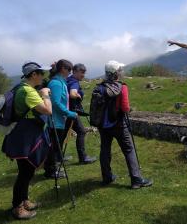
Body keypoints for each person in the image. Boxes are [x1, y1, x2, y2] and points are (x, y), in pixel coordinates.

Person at [1, 62, 52, 219]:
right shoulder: (28, 91)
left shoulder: (20, 87)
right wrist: (45, 94)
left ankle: (24, 201)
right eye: (41, 73)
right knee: (25, 172)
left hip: (21, 135)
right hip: (24, 137)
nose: (43, 76)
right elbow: (47, 110)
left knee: (27, 171)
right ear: (34, 75)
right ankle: (17, 208)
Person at [98, 60, 153, 189]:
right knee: (129, 150)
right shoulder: (122, 87)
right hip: (118, 124)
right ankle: (136, 180)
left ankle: (107, 177)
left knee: (105, 150)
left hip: (103, 125)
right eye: (120, 70)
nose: (122, 72)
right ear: (116, 73)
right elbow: (125, 108)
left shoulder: (100, 87)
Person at [44, 59, 78, 178]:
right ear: (62, 69)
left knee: (55, 145)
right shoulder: (56, 84)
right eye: (69, 69)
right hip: (55, 121)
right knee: (53, 146)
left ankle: (52, 168)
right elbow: (56, 103)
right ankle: (50, 171)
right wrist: (69, 113)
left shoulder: (61, 82)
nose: (70, 72)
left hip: (59, 120)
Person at [66, 63, 97, 164]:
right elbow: (73, 94)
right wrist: (78, 95)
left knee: (62, 134)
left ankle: (56, 157)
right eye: (81, 72)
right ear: (74, 72)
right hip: (71, 112)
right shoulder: (74, 82)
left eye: (84, 72)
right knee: (81, 132)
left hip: (65, 111)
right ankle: (83, 158)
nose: (83, 75)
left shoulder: (68, 79)